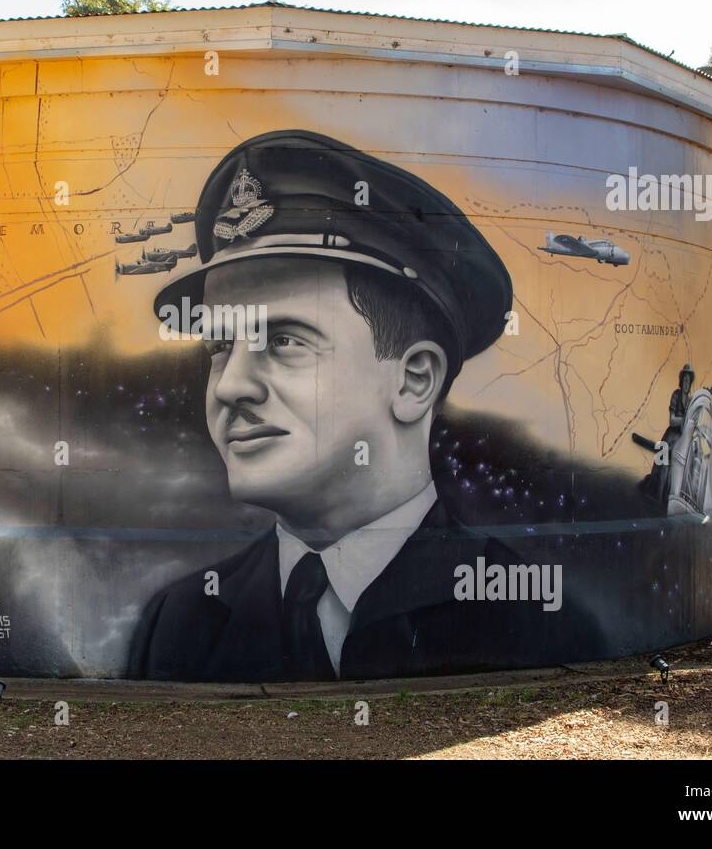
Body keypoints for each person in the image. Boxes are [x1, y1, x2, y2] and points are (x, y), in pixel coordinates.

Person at [128, 130, 608, 681]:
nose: (230, 386)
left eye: (284, 341)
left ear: (413, 381)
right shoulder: (180, 624)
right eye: (218, 346)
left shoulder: (533, 623)